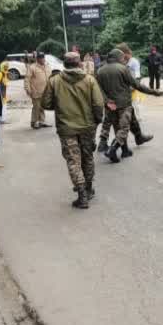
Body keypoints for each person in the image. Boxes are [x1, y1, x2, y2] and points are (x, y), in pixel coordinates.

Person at [41, 52, 104, 209]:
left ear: (64, 64)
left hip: (66, 127)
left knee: (73, 160)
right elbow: (98, 104)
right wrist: (97, 120)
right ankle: (89, 189)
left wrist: (60, 105)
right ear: (79, 64)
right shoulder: (90, 80)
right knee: (87, 157)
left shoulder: (54, 81)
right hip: (87, 127)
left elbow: (46, 104)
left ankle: (82, 194)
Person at [95, 49, 153, 162]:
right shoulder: (121, 68)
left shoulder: (101, 70)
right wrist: (153, 92)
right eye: (123, 58)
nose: (124, 60)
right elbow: (135, 84)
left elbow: (98, 89)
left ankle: (126, 148)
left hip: (111, 102)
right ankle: (112, 148)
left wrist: (106, 101)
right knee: (123, 126)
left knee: (121, 123)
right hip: (122, 102)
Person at [110, 45, 152, 149]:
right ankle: (117, 147)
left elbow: (137, 76)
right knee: (126, 119)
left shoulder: (133, 61)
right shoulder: (120, 62)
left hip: (129, 90)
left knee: (128, 116)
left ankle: (135, 139)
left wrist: (134, 86)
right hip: (121, 93)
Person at [25, 52, 51, 128]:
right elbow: (27, 79)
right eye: (40, 58)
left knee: (42, 107)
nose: (42, 59)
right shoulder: (32, 67)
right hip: (36, 91)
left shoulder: (47, 66)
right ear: (37, 59)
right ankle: (34, 122)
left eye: (43, 57)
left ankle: (42, 121)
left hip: (45, 91)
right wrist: (28, 89)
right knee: (36, 107)